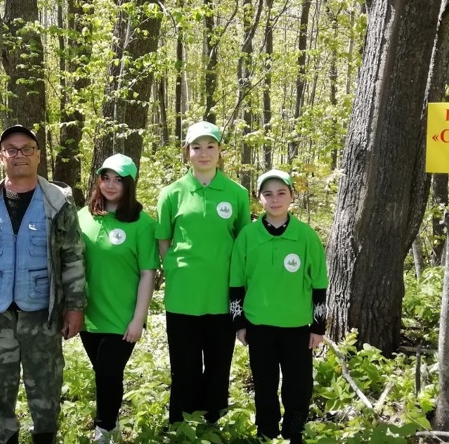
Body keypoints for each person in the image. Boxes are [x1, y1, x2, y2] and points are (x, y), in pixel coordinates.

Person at [0, 125, 86, 444]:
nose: (19, 155)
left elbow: (73, 256)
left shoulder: (57, 201)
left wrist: (75, 307)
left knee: (46, 384)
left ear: (39, 155)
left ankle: (44, 437)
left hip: (42, 311)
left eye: (27, 148)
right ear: (1, 157)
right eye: (11, 149)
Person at [156, 121, 251, 425]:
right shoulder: (172, 193)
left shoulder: (236, 193)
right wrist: (173, 266)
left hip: (221, 295)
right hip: (183, 294)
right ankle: (181, 424)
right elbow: (163, 238)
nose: (204, 153)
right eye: (197, 147)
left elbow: (242, 241)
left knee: (218, 363)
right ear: (187, 152)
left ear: (220, 151)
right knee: (184, 366)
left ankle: (213, 422)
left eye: (211, 146)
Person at [229, 169, 328, 444]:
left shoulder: (306, 237)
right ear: (259, 199)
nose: (275, 200)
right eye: (268, 194)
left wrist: (318, 326)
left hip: (297, 326)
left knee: (299, 385)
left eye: (281, 193)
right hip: (259, 326)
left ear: (292, 196)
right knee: (264, 384)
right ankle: (266, 432)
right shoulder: (248, 236)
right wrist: (239, 324)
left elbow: (319, 285)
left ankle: (294, 430)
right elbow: (236, 284)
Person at [78, 154, 158, 443]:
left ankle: (103, 429)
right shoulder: (83, 216)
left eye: (118, 180)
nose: (110, 185)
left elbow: (148, 273)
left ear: (129, 185)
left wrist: (138, 319)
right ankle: (111, 426)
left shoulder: (142, 223)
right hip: (88, 314)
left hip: (123, 317)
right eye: (105, 178)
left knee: (109, 373)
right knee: (103, 373)